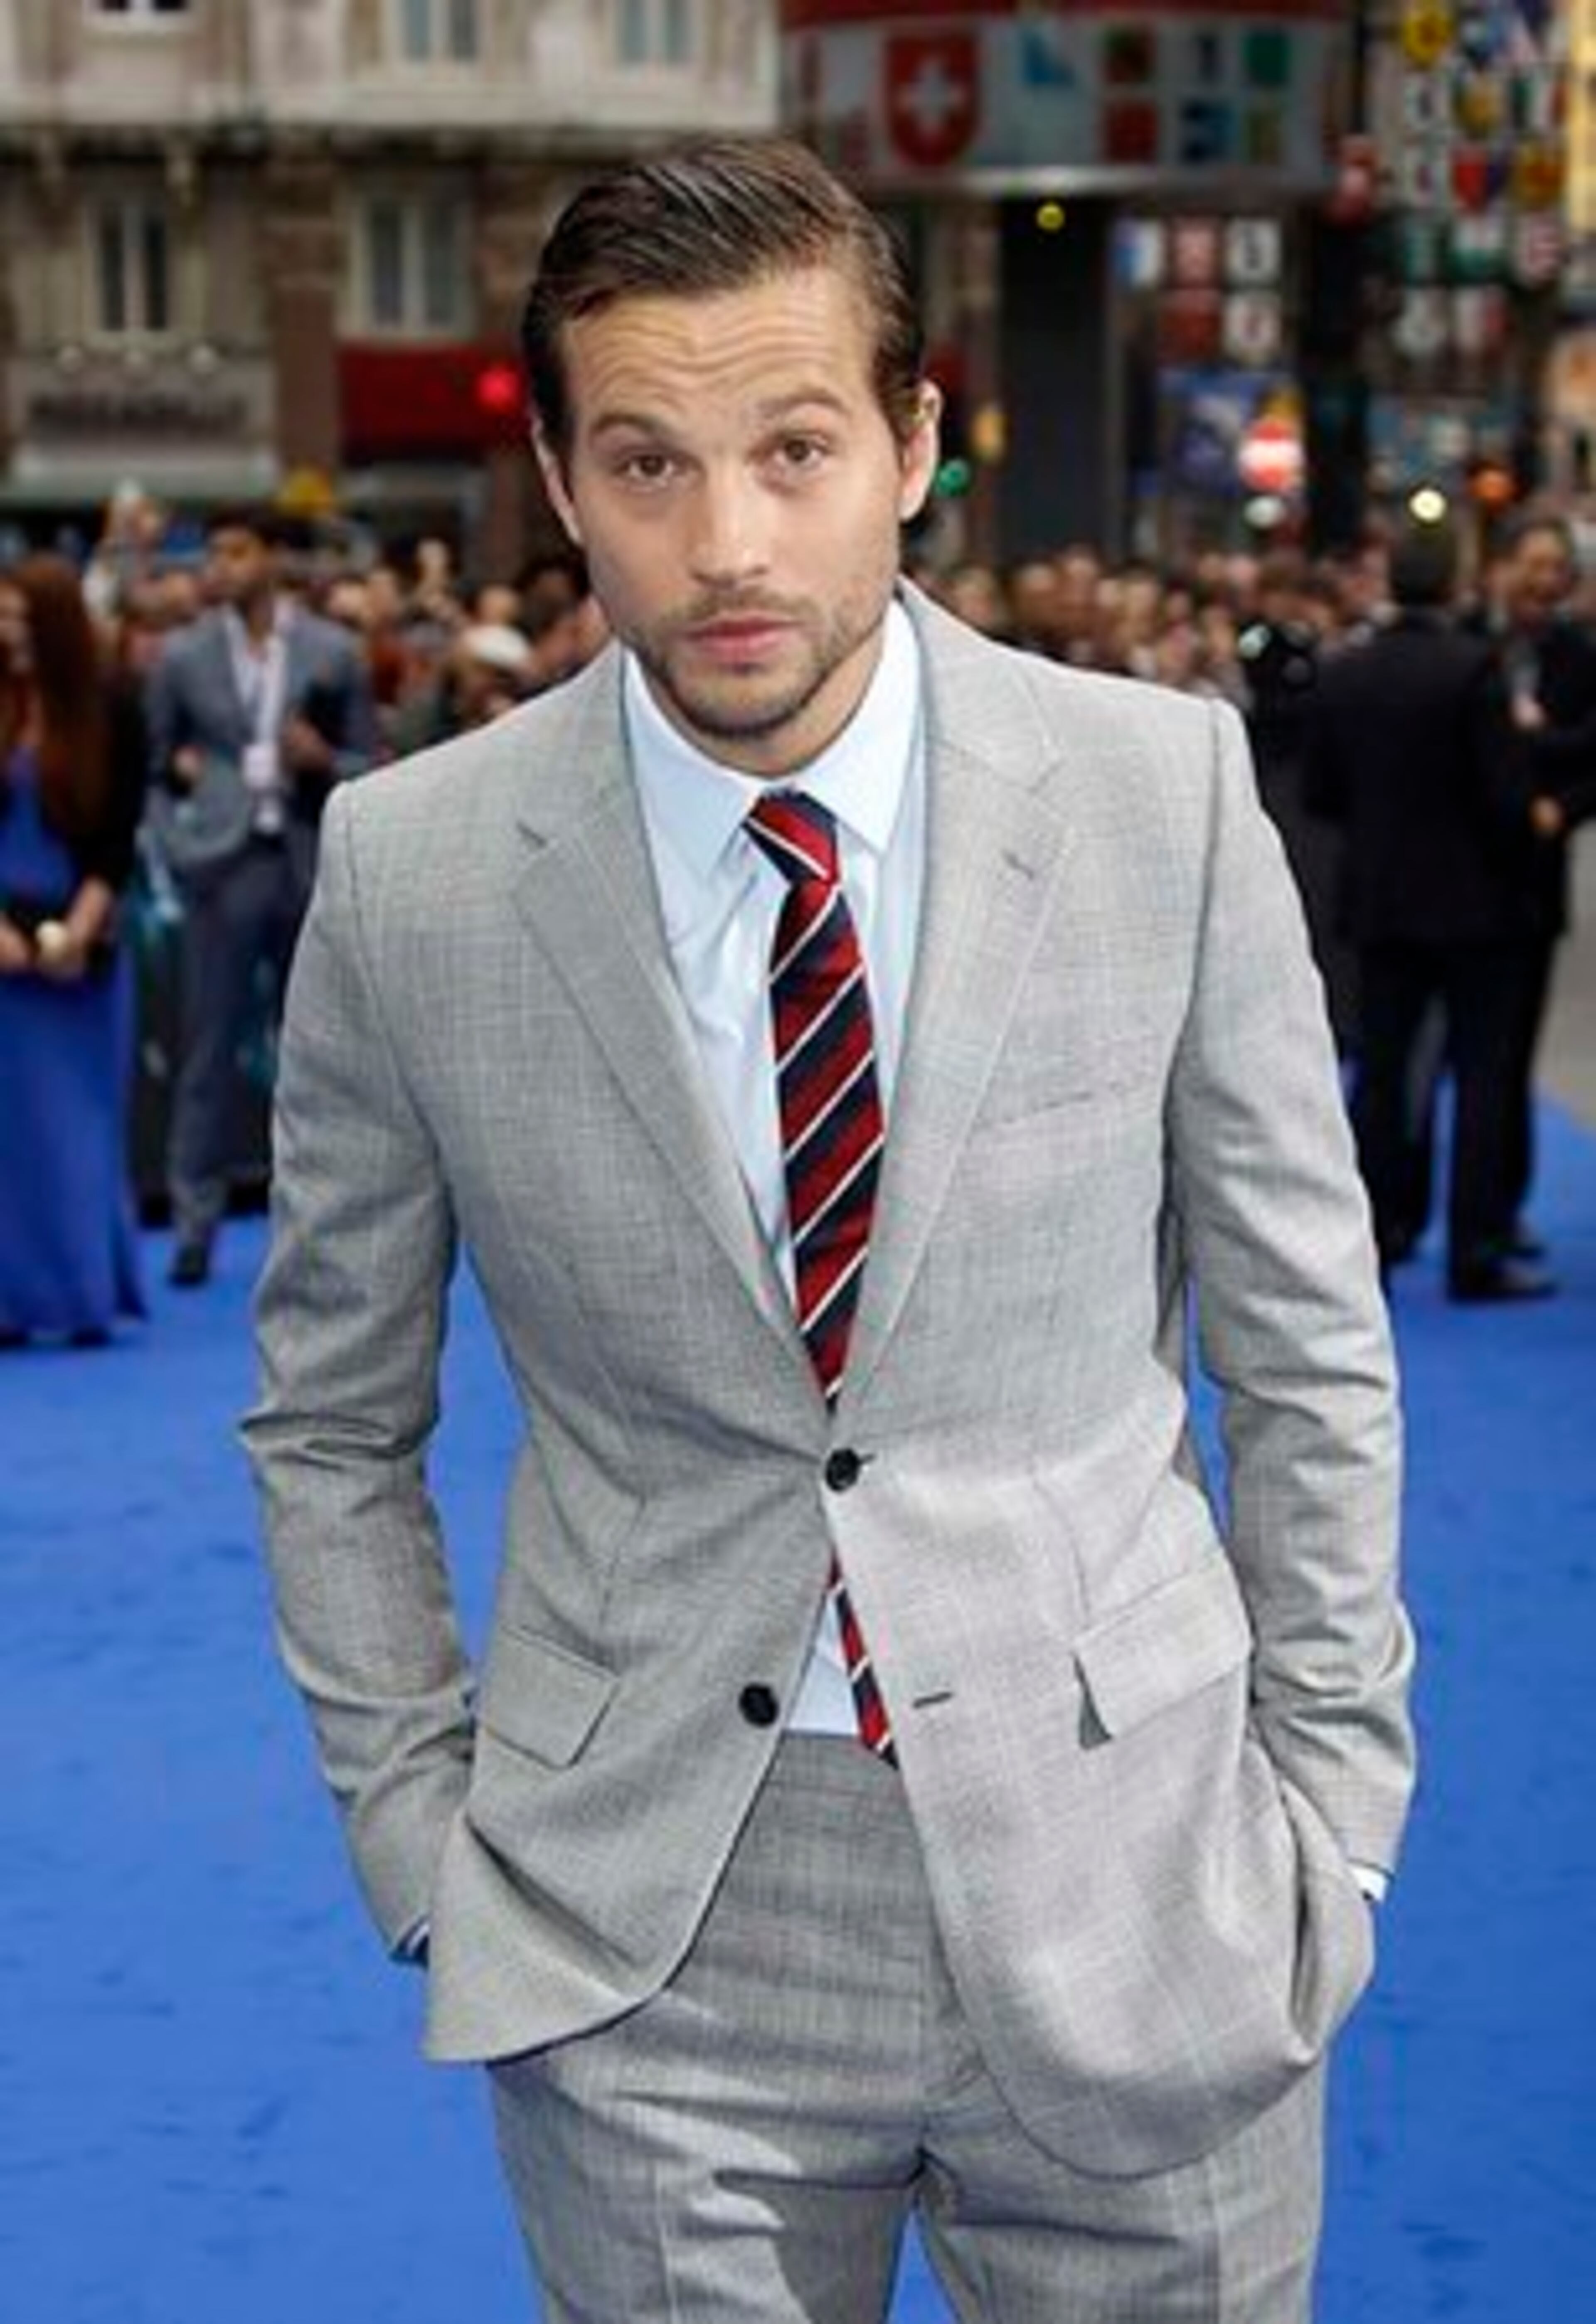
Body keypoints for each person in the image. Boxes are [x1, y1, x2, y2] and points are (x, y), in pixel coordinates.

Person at [245, 138, 1414, 2324]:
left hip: (1139, 1861)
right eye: (650, 463)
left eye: (794, 449)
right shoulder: (412, 874)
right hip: (655, 1917)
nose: (729, 543)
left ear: (916, 446)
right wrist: (425, 1849)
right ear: (566, 486)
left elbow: (1307, 1342)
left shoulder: (1161, 791)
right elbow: (327, 1417)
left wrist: (1332, 1816)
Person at [1304, 519, 1548, 1300]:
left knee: (1380, 1073)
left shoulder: (1346, 673)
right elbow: (1507, 800)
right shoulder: (1478, 669)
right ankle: (1474, 1249)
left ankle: (1376, 1233)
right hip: (1480, 908)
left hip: (1382, 902)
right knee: (1481, 1076)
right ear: (1454, 583)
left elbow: (1321, 795)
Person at [145, 505, 379, 1286]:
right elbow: (149, 772)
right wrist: (178, 846)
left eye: (237, 551)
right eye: (214, 553)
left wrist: (323, 759)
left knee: (319, 1062)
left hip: (307, 858)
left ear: (274, 560)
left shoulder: (334, 651)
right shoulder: (181, 657)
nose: (220, 566)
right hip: (221, 862)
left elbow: (369, 767)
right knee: (207, 1048)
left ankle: (320, 1235)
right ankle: (193, 1224)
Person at [0, 554, 149, 1345]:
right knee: (9, 1136)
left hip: (80, 952)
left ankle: (83, 1295)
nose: (8, 634)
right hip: (2, 952)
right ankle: (12, 1301)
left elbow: (117, 839)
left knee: (79, 1127)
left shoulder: (114, 710)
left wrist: (77, 933)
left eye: (21, 620)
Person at [1467, 512, 1596, 1266]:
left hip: (1533, 883)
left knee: (1509, 1058)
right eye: (1535, 564)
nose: (1546, 581)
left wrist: (1550, 789)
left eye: (1559, 568)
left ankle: (1499, 1209)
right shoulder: (1466, 640)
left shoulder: (1579, 654)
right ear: (1505, 565)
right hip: (1458, 875)